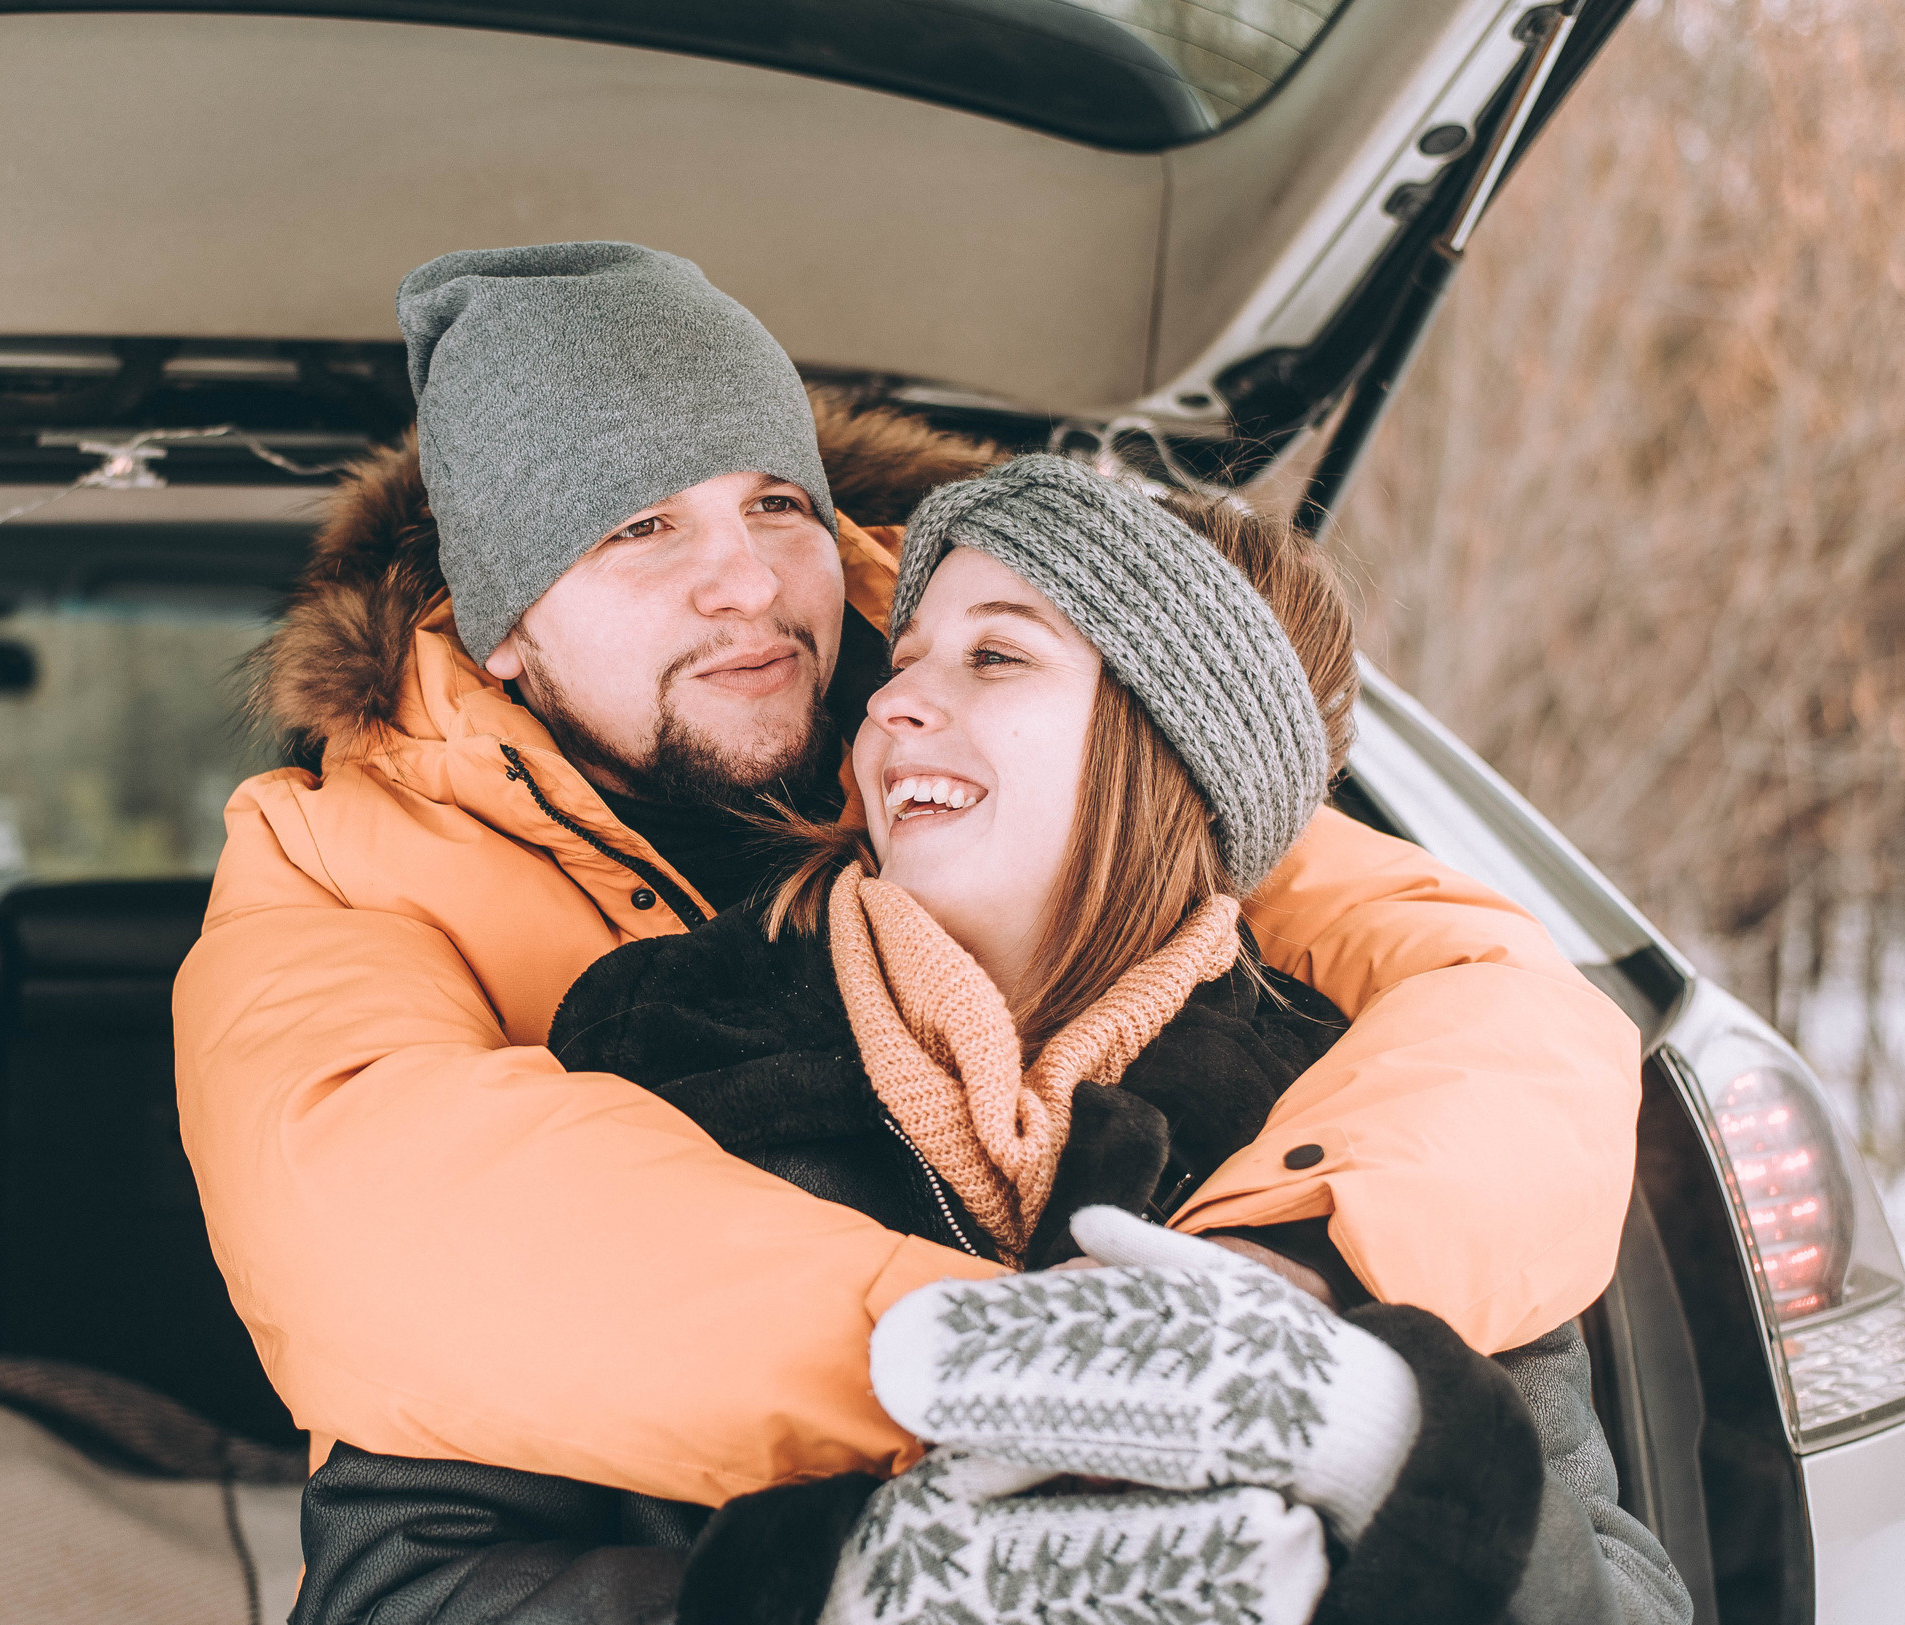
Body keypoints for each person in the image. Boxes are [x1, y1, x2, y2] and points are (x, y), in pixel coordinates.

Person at [173, 240, 1642, 1513]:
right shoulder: (328, 860)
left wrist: (1296, 1268)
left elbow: (1491, 1003)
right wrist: (1006, 1365)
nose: (745, 580)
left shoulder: (1028, 731)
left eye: (775, 505)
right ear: (500, 628)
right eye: (639, 527)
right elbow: (374, 1216)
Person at [285, 457, 1712, 1625]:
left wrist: (1384, 1454)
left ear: (1168, 747)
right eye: (904, 655)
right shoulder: (656, 1051)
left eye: (997, 657)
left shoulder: (1349, 1120)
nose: (897, 698)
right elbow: (383, 1623)